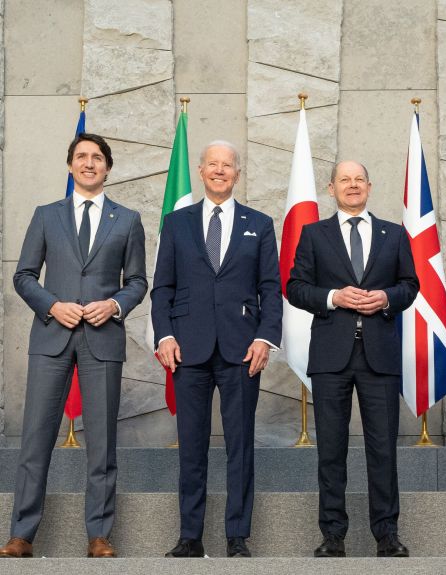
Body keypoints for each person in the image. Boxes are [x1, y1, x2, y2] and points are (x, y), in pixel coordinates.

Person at [0, 133, 147, 559]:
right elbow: (24, 275)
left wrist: (115, 305)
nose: (89, 163)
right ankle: (22, 535)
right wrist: (52, 306)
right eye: (81, 157)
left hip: (103, 339)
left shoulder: (128, 220)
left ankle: (99, 535)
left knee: (102, 444)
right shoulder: (46, 215)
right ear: (70, 166)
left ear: (107, 167)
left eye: (97, 158)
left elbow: (137, 281)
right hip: (51, 337)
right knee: (35, 440)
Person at [151, 141, 282, 558]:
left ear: (237, 174)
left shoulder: (259, 224)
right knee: (191, 445)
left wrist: (265, 337)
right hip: (187, 350)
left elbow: (270, 290)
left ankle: (237, 536)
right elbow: (163, 289)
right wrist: (164, 336)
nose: (220, 171)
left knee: (240, 445)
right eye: (213, 165)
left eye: (228, 166)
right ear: (202, 171)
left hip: (242, 349)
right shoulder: (176, 223)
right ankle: (190, 536)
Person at [286, 160, 418, 558]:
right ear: (331, 188)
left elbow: (410, 286)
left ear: (370, 186)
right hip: (331, 357)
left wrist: (387, 298)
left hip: (380, 357)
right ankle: (333, 536)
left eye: (359, 179)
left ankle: (387, 535)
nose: (353, 185)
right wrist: (333, 297)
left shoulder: (394, 234)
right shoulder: (313, 234)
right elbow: (295, 288)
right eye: (344, 179)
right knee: (331, 450)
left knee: (383, 449)